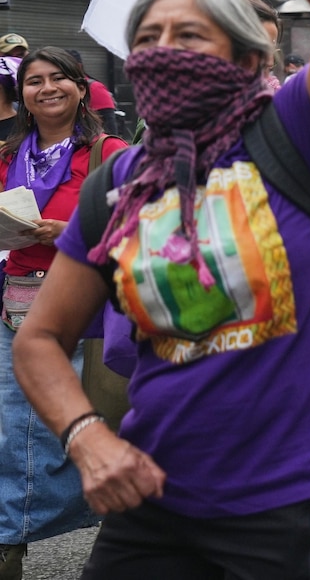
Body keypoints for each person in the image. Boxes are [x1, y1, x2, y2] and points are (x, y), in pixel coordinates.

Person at [13, 0, 310, 578]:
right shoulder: (120, 183)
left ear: (247, 61)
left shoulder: (297, 133)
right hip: (156, 490)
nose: (163, 52)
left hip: (295, 495)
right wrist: (87, 434)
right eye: (147, 40)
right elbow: (40, 341)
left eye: (190, 37)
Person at [1, 48, 128, 580]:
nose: (46, 88)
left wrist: (71, 232)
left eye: (58, 79)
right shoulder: (7, 154)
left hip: (89, 315)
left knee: (73, 429)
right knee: (15, 431)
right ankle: (10, 542)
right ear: (22, 96)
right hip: (17, 307)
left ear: (81, 88)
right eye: (34, 81)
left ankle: (111, 512)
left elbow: (140, 224)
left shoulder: (111, 153)